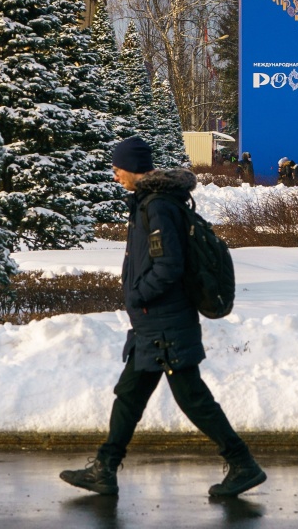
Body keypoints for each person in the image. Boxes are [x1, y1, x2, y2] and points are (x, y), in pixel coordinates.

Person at [61, 136, 266, 498]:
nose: (114, 176)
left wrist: (139, 295)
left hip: (165, 321)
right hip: (153, 322)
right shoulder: (150, 203)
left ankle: (242, 463)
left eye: (117, 168)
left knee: (192, 399)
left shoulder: (157, 207)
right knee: (129, 395)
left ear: (133, 168)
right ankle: (104, 468)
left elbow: (168, 264)